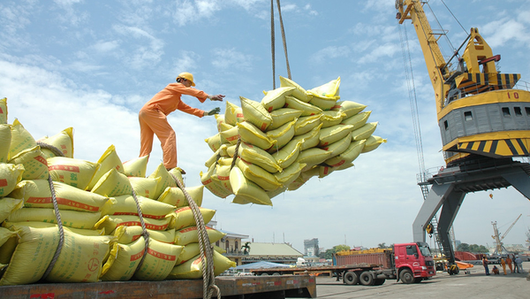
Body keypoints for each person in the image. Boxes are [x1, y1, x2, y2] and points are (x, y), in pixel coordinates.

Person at [139, 72, 224, 174]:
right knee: (169, 135)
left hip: (144, 113)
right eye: (189, 83)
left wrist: (206, 113)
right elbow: (188, 91)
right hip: (152, 111)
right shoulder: (173, 86)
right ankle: (170, 167)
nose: (189, 86)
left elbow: (189, 109)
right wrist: (209, 96)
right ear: (182, 80)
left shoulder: (176, 99)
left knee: (146, 144)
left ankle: (138, 168)